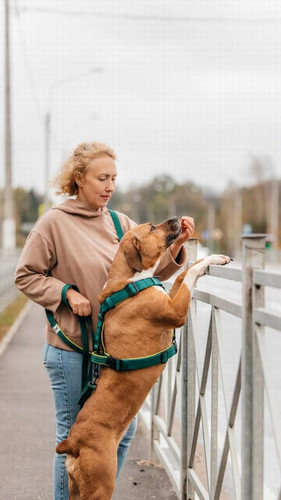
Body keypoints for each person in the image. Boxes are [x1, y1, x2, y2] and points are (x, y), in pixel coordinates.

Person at [14, 141, 195, 500]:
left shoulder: (119, 221)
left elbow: (145, 273)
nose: (110, 185)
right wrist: (66, 293)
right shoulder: (53, 223)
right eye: (102, 178)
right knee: (74, 437)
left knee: (119, 435)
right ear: (79, 179)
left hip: (110, 355)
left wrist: (174, 247)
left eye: (114, 177)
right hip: (70, 348)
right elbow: (26, 275)